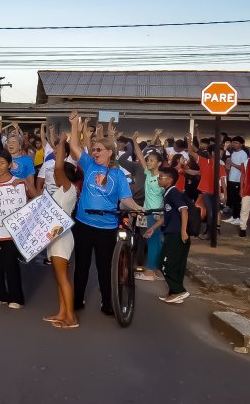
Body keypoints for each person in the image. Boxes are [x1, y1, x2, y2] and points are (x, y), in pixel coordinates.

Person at [68, 110, 144, 316]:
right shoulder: (89, 165)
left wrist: (137, 207)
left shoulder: (118, 175)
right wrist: (74, 125)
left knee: (104, 268)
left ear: (109, 152)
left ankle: (107, 302)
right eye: (93, 149)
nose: (94, 152)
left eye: (98, 149)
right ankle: (77, 300)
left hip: (106, 227)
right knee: (81, 266)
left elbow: (125, 200)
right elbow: (75, 146)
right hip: (84, 224)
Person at [44, 134, 80, 329]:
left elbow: (58, 167)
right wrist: (25, 184)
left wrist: (61, 143)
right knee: (58, 278)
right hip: (54, 236)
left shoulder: (68, 188)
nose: (54, 176)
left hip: (62, 237)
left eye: (57, 175)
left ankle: (71, 317)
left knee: (63, 278)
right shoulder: (61, 190)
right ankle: (62, 312)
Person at [0, 150, 28, 309]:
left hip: (11, 231)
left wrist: (23, 185)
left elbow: (26, 201)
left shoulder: (17, 181)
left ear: (10, 164)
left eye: (2, 163)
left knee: (10, 262)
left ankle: (16, 297)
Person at [131, 133, 165, 282]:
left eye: (152, 160)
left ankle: (150, 273)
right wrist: (134, 141)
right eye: (148, 160)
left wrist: (160, 214)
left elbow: (166, 196)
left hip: (155, 214)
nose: (148, 162)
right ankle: (155, 270)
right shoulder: (148, 173)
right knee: (155, 242)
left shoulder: (161, 179)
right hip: (147, 213)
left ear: (159, 163)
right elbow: (139, 155)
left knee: (152, 242)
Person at [157, 167, 192, 304]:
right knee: (177, 265)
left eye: (161, 177)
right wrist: (153, 228)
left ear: (170, 180)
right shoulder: (168, 193)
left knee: (164, 263)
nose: (158, 179)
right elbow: (167, 216)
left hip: (176, 234)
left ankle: (179, 290)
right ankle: (174, 293)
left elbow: (184, 210)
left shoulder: (174, 193)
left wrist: (183, 231)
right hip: (172, 232)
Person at [225, 136, 248, 225]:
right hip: (231, 178)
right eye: (233, 142)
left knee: (237, 200)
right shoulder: (233, 153)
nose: (234, 144)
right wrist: (228, 165)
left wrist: (232, 164)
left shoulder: (243, 154)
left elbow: (243, 168)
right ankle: (233, 216)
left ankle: (238, 218)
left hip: (238, 180)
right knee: (232, 199)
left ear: (241, 144)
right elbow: (230, 167)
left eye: (236, 143)